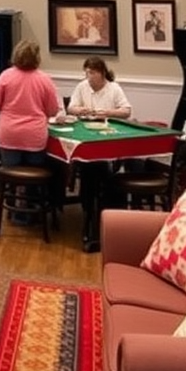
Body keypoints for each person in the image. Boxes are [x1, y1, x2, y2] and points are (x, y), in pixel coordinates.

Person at [66, 57, 132, 252]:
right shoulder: (82, 86)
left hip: (107, 133)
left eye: (92, 73)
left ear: (101, 72)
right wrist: (81, 109)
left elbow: (126, 111)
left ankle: (102, 208)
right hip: (86, 131)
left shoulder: (114, 88)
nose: (89, 77)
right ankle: (89, 207)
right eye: (86, 73)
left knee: (102, 168)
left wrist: (106, 113)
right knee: (88, 167)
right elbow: (71, 107)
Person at [0, 39, 61, 169]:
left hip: (9, 134)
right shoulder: (44, 79)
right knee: (35, 170)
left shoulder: (6, 76)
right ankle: (32, 189)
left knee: (10, 170)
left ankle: (14, 187)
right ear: (37, 57)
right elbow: (52, 110)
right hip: (35, 136)